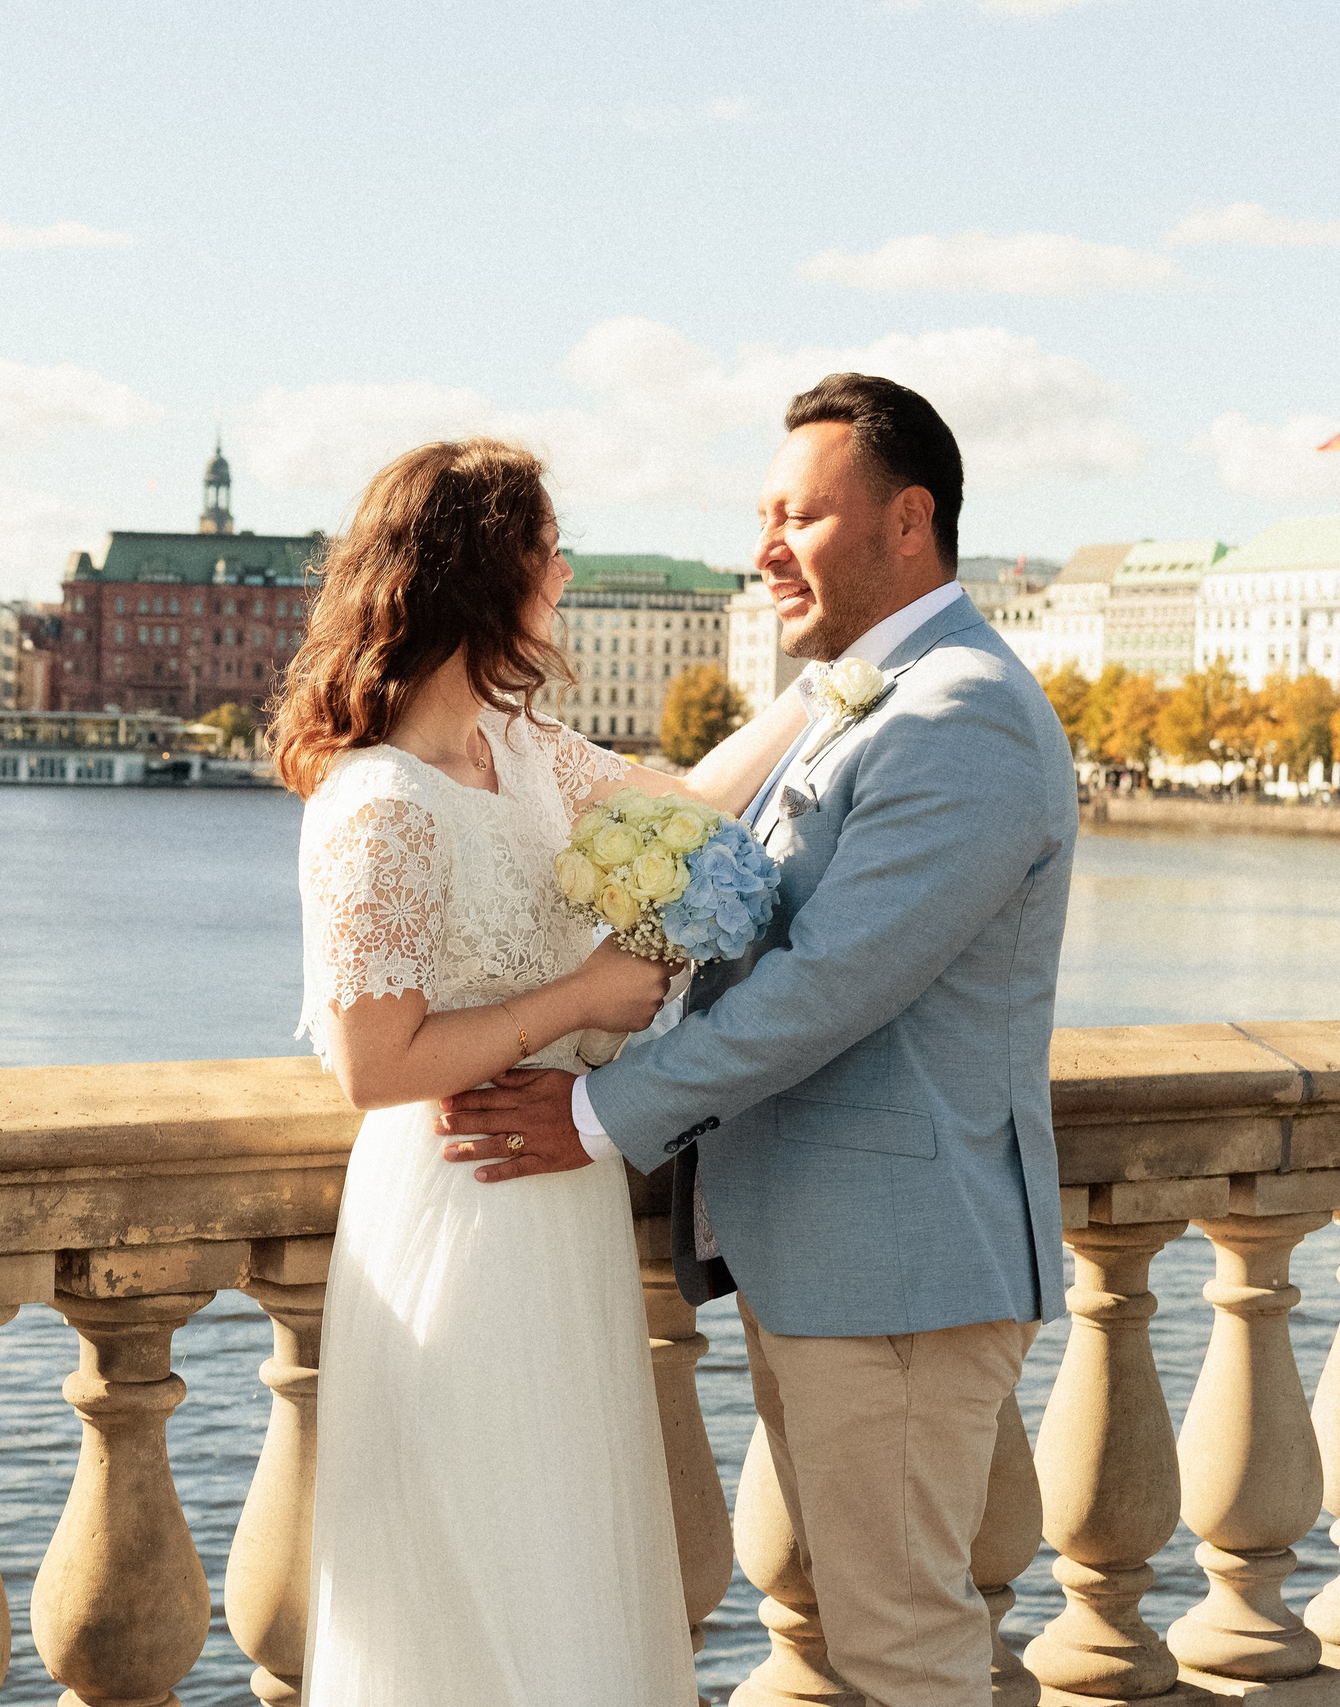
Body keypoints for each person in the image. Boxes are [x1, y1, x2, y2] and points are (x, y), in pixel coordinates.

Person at [441, 374, 1076, 1707]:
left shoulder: (959, 710)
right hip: (840, 1258)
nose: (765, 546)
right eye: (761, 515)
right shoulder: (863, 698)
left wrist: (603, 1117)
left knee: (908, 1649)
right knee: (883, 1639)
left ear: (909, 521)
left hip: (896, 1271)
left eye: (799, 514)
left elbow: (831, 983)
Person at [279, 437, 806, 1706]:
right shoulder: (377, 803)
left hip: (553, 1197)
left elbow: (678, 805)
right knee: (471, 1551)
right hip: (457, 1201)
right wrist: (580, 999)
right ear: (484, 575)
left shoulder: (520, 749)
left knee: (565, 1539)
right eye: (546, 549)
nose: (563, 570)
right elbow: (371, 1064)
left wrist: (818, 699)